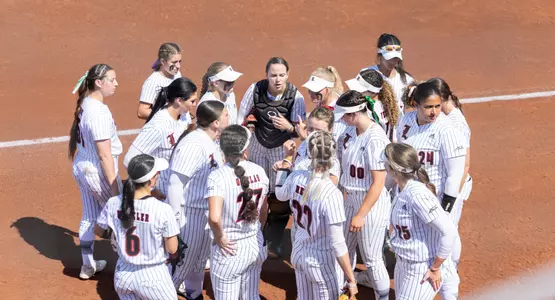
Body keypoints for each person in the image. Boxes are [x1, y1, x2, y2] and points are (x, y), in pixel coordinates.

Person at [396, 81, 467, 299]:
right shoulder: (406, 122)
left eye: (437, 106)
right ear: (416, 105)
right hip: (413, 197)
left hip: (440, 200)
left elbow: (455, 175)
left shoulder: (448, 131)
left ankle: (449, 294)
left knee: (442, 251)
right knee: (421, 244)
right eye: (428, 107)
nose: (434, 111)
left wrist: (445, 209)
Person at [275, 131, 358, 300]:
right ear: (332, 158)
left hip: (298, 254)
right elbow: (338, 244)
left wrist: (286, 161)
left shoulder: (297, 176)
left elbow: (279, 194)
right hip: (321, 263)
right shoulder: (331, 193)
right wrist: (351, 279)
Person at [236, 57, 306, 257]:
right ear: (266, 75)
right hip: (258, 145)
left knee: (279, 195)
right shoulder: (256, 89)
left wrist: (289, 127)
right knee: (254, 188)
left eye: (281, 75)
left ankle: (274, 240)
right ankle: (252, 232)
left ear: (288, 75)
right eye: (273, 75)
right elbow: (241, 116)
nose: (277, 79)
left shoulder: (295, 96)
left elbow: (299, 131)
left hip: (280, 148)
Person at [167, 100, 229, 300]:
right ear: (216, 123)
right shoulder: (193, 144)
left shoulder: (210, 141)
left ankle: (194, 295)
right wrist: (175, 222)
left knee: (199, 262)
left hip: (203, 214)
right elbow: (175, 183)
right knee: (182, 265)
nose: (230, 117)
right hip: (188, 215)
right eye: (226, 115)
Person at [95, 154, 180, 299]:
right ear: (151, 180)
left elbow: (98, 231)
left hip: (123, 275)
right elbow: (172, 249)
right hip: (153, 277)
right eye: (156, 173)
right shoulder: (162, 209)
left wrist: (117, 235)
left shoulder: (114, 203)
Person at [382, 143, 458, 300]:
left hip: (421, 267)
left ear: (393, 168)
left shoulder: (417, 195)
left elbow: (448, 231)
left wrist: (436, 268)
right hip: (404, 263)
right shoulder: (399, 188)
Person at [334, 90, 391, 299]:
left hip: (370, 203)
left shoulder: (376, 139)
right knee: (343, 252)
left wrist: (361, 214)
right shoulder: (348, 133)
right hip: (349, 198)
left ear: (354, 114)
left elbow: (378, 183)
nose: (341, 120)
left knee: (372, 259)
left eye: (344, 116)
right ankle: (344, 294)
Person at [68, 63, 121, 280]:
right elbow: (104, 155)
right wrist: (116, 189)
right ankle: (127, 267)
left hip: (81, 167)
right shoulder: (98, 112)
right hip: (96, 171)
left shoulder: (86, 103)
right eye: (112, 79)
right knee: (119, 215)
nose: (116, 84)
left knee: (89, 215)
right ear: (99, 83)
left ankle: (87, 266)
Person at [206, 125, 269, 299]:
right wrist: (259, 232)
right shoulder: (260, 171)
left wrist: (220, 237)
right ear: (245, 150)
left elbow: (214, 217)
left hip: (230, 250)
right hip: (255, 244)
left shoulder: (217, 177)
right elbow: (264, 211)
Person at [124, 77, 198, 201]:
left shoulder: (184, 116)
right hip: (161, 191)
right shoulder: (158, 126)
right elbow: (129, 160)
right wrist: (150, 189)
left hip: (177, 185)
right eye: (192, 101)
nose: (195, 104)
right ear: (179, 100)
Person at [428, 77, 472, 269]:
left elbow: (465, 164)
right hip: (450, 183)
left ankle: (450, 268)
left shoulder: (455, 124)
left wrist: (453, 198)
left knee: (449, 228)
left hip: (456, 185)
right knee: (448, 229)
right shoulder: (447, 118)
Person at [361, 33, 414, 113]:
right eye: (389, 58)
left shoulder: (407, 80)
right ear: (380, 56)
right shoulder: (366, 74)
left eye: (396, 58)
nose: (393, 62)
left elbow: (409, 108)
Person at [345, 68, 400, 142]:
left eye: (359, 89)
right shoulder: (386, 104)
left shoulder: (368, 110)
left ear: (373, 92)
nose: (355, 91)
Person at [137, 42, 186, 123]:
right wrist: (168, 117)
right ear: (162, 61)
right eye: (174, 62)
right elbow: (142, 111)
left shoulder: (177, 74)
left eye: (179, 61)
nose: (178, 66)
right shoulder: (153, 82)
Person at [299, 66, 347, 142]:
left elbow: (331, 146)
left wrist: (305, 138)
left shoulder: (340, 113)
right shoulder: (321, 103)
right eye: (310, 90)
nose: (312, 94)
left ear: (328, 89)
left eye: (316, 90)